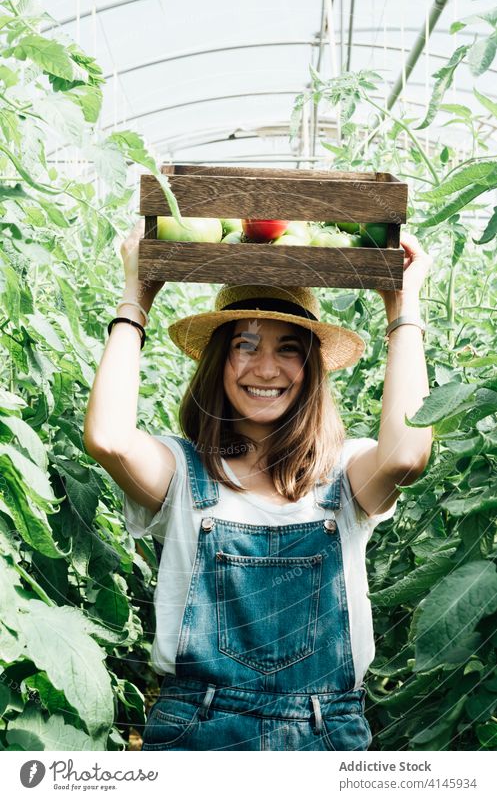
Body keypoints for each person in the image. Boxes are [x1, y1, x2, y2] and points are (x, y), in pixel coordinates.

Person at [84, 219, 433, 752]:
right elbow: (108, 438)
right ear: (218, 359)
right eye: (245, 344)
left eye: (289, 348)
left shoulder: (344, 473)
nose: (266, 368)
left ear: (311, 368)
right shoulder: (181, 473)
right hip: (197, 734)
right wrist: (136, 300)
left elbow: (408, 454)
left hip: (324, 734)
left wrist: (403, 312)